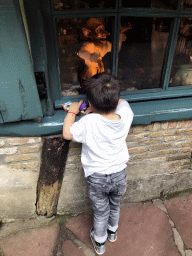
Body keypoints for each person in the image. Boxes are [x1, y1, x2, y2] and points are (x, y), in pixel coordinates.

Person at [63, 72, 134, 255]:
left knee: (101, 212)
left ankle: (100, 242)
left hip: (97, 178)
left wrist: (73, 110)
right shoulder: (126, 116)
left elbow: (67, 134)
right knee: (115, 205)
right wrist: (102, 103)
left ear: (91, 103)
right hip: (119, 175)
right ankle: (112, 233)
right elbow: (122, 102)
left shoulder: (88, 121)